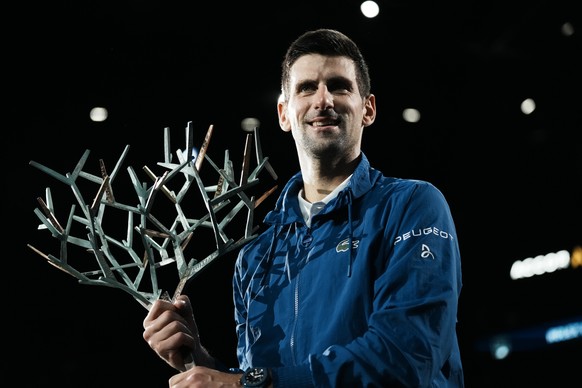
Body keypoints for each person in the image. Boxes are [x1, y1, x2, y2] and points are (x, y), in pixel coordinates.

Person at [143, 28, 465, 387]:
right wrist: (199, 359)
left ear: (368, 109)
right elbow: (263, 377)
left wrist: (240, 385)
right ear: (284, 113)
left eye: (340, 86)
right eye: (307, 88)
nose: (323, 100)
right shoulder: (257, 253)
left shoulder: (411, 205)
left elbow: (406, 356)